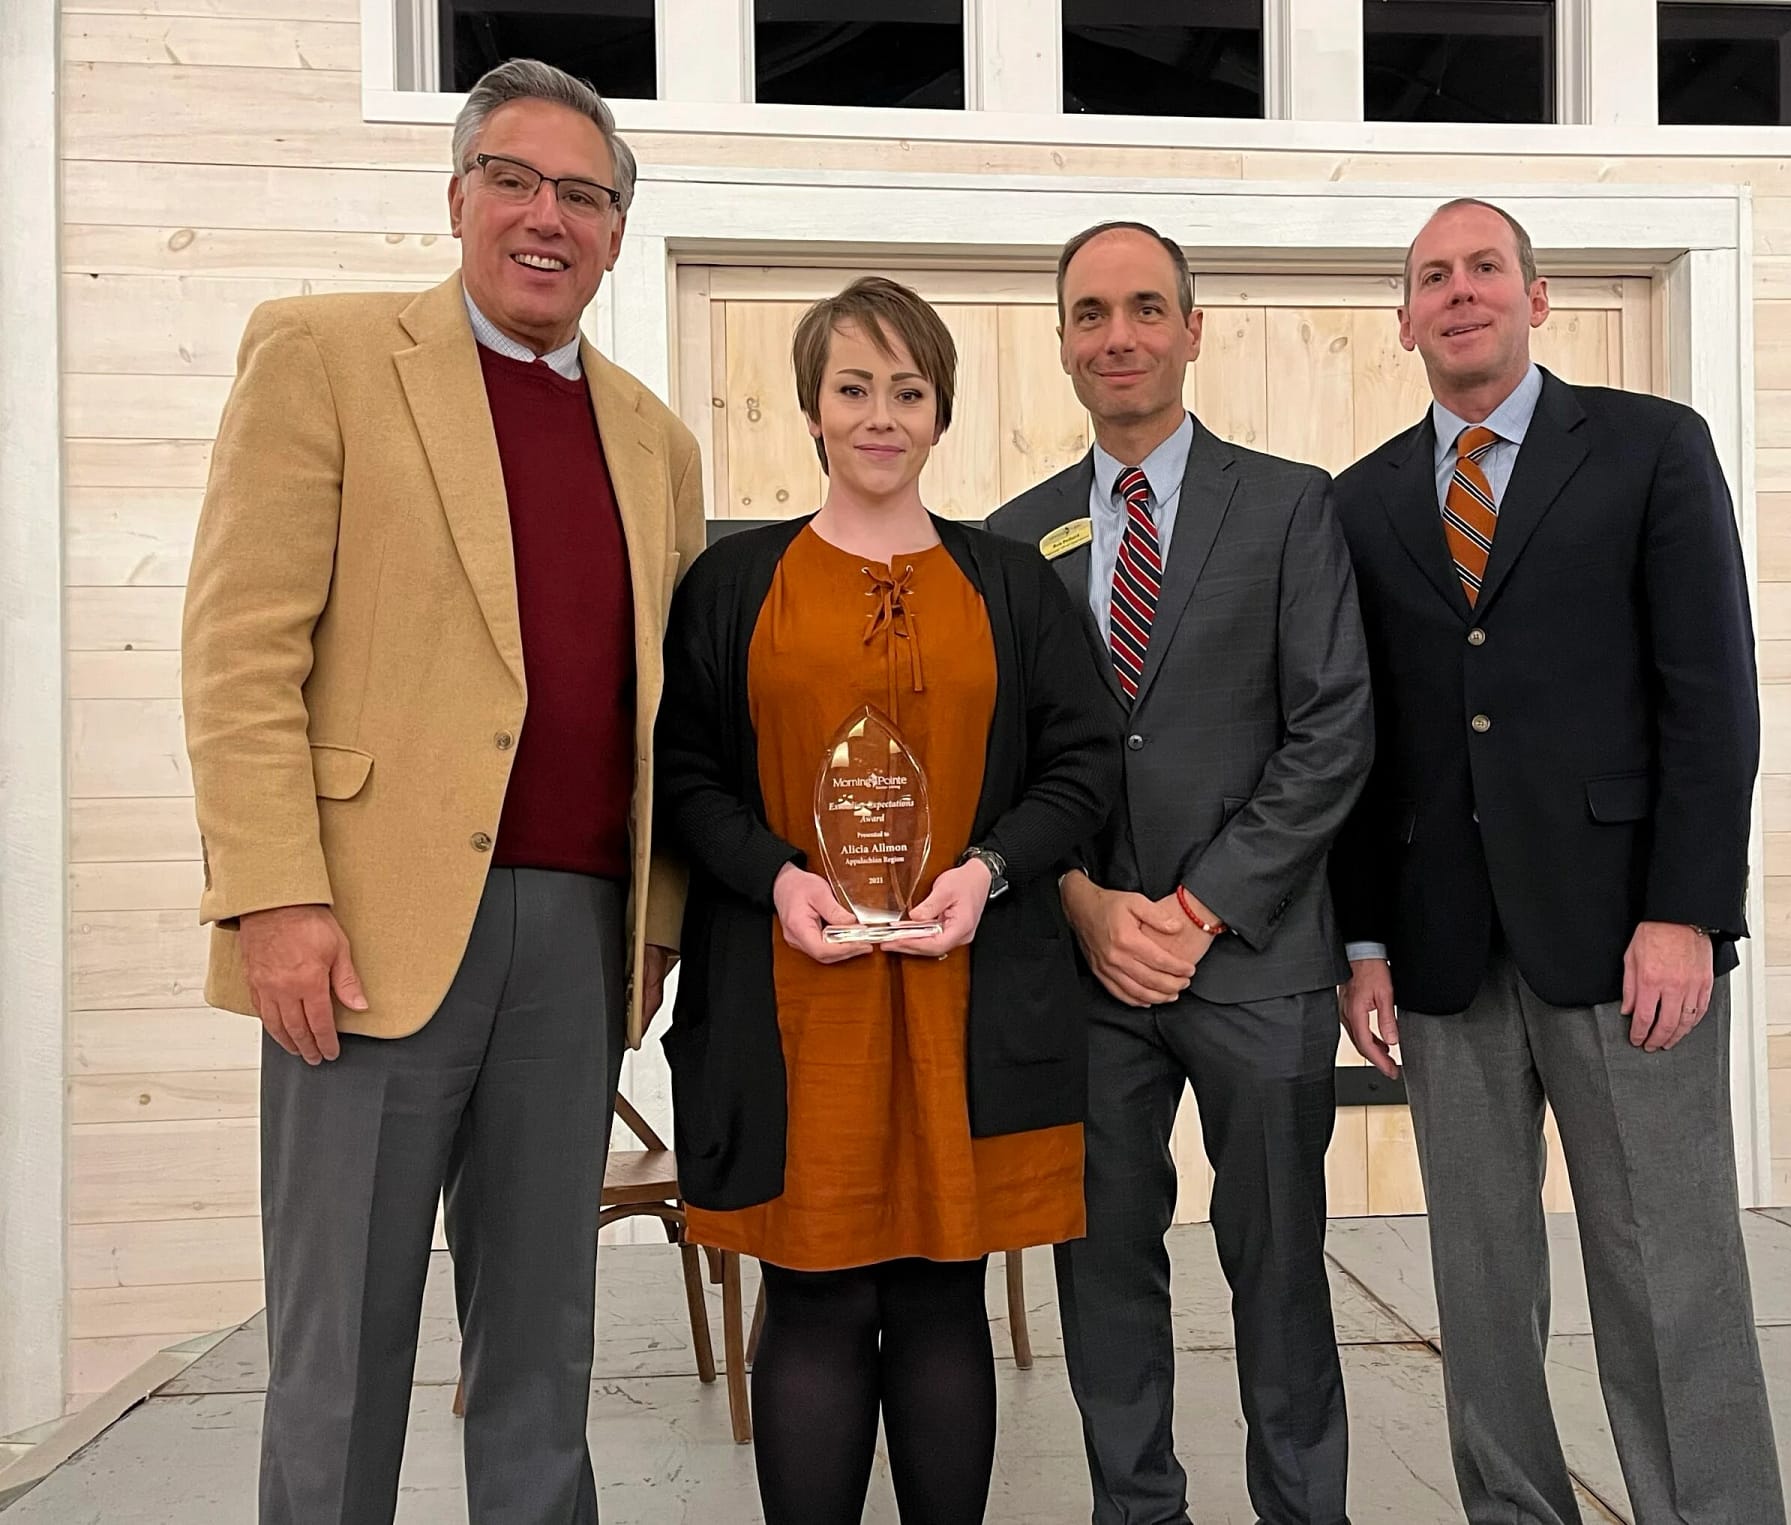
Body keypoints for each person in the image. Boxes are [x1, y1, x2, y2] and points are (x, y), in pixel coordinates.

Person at [179, 58, 705, 1525]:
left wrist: (655, 919)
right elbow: (239, 650)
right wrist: (273, 896)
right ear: (458, 195)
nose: (548, 216)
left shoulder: (656, 441)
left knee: (543, 1341)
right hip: (361, 932)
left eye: (583, 195)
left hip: (577, 940)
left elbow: (663, 709)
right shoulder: (325, 355)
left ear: (615, 231)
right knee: (339, 1350)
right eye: (515, 181)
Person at [1331, 197, 1785, 1525]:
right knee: (1479, 1280)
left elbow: (1712, 694)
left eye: (1486, 267)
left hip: (1626, 941)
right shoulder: (1361, 502)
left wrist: (1687, 911)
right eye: (1433, 276)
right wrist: (1363, 938)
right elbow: (1361, 738)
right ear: (1406, 320)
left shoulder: (1650, 449)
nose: (1460, 291)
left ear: (1536, 298)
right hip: (1443, 950)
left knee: (1669, 1269)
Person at [654, 276, 1118, 1525]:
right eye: (852, 388)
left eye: (907, 391)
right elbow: (685, 778)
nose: (880, 415)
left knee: (939, 1290)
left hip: (970, 996)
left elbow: (1084, 765)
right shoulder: (734, 583)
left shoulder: (1011, 584)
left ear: (940, 413)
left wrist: (988, 870)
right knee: (812, 1290)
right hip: (793, 1007)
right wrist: (777, 877)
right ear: (811, 408)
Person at [989, 222, 1372, 1525]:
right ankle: (1136, 1507)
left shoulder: (1290, 505)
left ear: (1193, 330)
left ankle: (1303, 1509)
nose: (1120, 336)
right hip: (1088, 971)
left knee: (1281, 1272)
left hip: (1255, 958)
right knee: (1101, 1266)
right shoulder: (1017, 539)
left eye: (1147, 308)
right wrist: (1082, 903)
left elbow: (1333, 730)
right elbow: (1008, 764)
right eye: (1091, 314)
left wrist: (1201, 907)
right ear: (1062, 343)